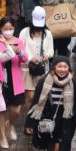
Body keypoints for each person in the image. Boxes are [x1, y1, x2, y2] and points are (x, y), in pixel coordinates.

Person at [28, 57, 76, 151]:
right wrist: (29, 124)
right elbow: (36, 100)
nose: (62, 69)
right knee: (48, 148)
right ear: (54, 68)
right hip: (46, 120)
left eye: (65, 66)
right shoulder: (44, 81)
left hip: (65, 122)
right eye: (59, 66)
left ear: (69, 69)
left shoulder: (74, 84)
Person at [19, 7, 54, 137]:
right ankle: (29, 122)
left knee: (39, 96)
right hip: (27, 68)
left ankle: (33, 120)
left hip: (41, 69)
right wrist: (29, 58)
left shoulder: (48, 34)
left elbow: (51, 50)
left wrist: (46, 56)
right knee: (30, 96)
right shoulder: (24, 32)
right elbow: (21, 49)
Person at [0, 17, 29, 141]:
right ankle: (3, 136)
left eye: (10, 29)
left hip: (15, 79)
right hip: (1, 79)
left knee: (16, 109)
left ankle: (11, 124)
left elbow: (25, 59)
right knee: (1, 109)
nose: (8, 31)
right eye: (5, 29)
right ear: (1, 29)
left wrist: (18, 51)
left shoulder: (18, 41)